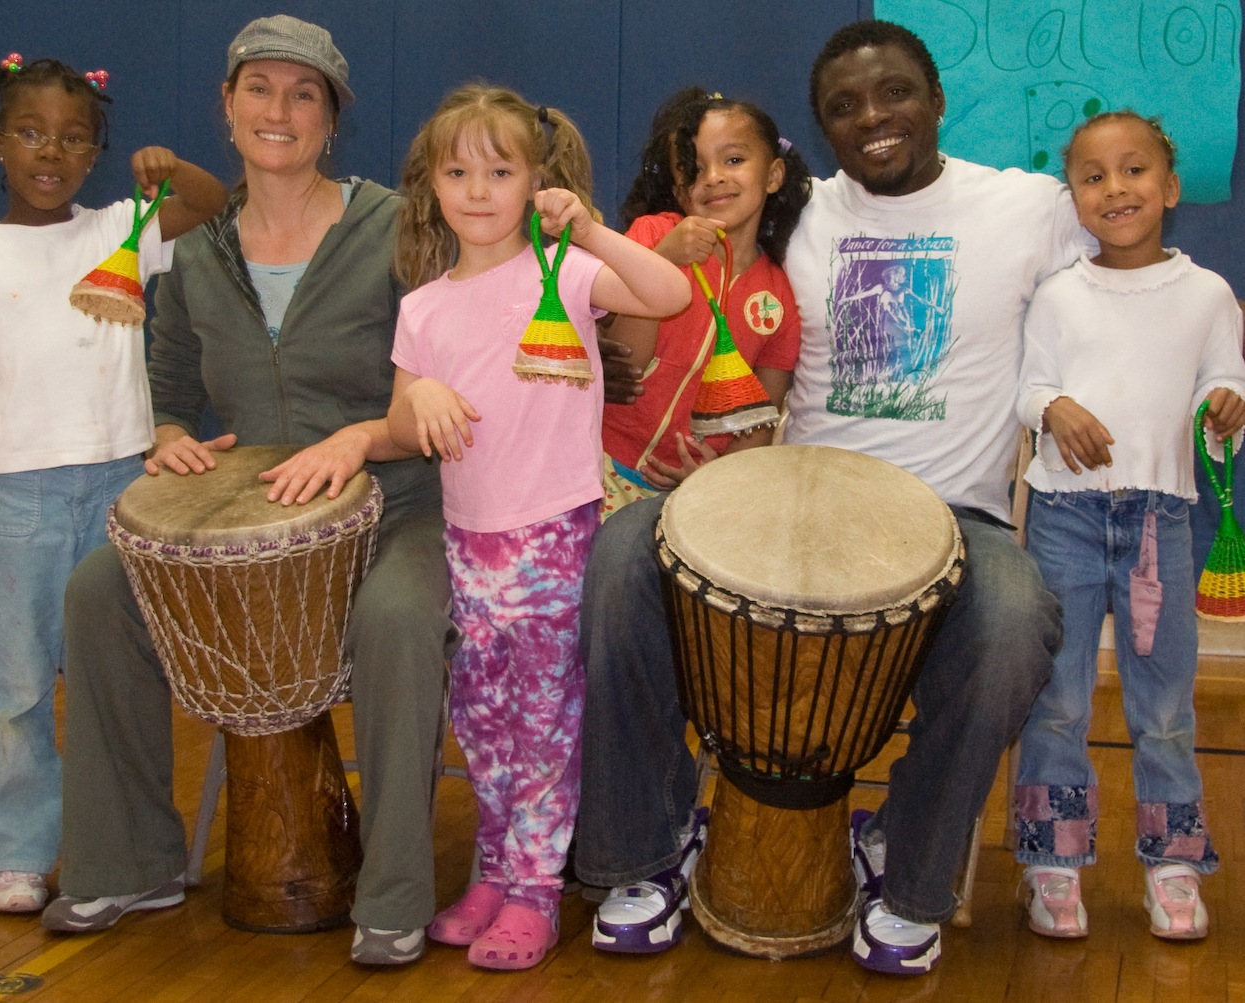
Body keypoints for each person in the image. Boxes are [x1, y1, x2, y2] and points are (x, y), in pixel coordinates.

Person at [577, 20, 1087, 974]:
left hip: (950, 516)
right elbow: (665, 258)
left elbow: (1127, 236)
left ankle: (907, 865)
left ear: (937, 100)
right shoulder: (793, 210)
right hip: (781, 498)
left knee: (1019, 617)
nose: (873, 119)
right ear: (817, 134)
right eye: (843, 108)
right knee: (617, 560)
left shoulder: (1025, 207)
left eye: (894, 93)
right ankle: (641, 854)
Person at [37, 16, 455, 967]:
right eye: (259, 89)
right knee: (98, 591)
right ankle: (131, 858)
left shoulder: (395, 229)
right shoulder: (196, 255)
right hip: (249, 522)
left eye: (303, 93)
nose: (280, 109)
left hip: (396, 504)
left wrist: (368, 437)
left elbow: (442, 378)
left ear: (331, 120)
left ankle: (393, 891)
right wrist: (174, 437)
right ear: (226, 108)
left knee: (396, 617)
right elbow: (173, 393)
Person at [387, 85, 689, 970]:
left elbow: (667, 293)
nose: (477, 190)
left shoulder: (563, 273)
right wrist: (423, 397)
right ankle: (493, 867)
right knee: (482, 720)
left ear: (533, 182)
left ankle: (534, 888)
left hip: (553, 533)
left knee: (546, 720)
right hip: (467, 540)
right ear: (430, 186)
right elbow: (403, 417)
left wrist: (589, 229)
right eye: (457, 171)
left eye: (500, 170)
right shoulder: (423, 306)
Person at [0, 54, 225, 915]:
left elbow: (212, 204)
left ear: (96, 153)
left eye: (71, 137)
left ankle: (133, 842)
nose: (48, 152)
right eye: (29, 133)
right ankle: (20, 849)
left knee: (122, 676)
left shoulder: (121, 230)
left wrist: (169, 169)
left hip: (117, 483)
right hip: (15, 492)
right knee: (20, 685)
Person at [1013, 112, 1243, 941]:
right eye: (1093, 176)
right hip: (1064, 519)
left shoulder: (1209, 294)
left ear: (1170, 187)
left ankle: (1172, 864)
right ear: (1072, 197)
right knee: (1057, 697)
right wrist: (1054, 407)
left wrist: (1226, 404)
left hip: (1162, 523)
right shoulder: (1058, 293)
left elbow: (1225, 388)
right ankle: (1053, 860)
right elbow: (1029, 390)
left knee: (1164, 707)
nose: (1116, 189)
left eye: (1135, 170)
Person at [598, 88, 808, 517]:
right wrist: (662, 264)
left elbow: (760, 418)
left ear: (773, 175)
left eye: (733, 160)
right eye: (696, 168)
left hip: (694, 496)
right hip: (600, 464)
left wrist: (720, 474)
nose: (713, 176)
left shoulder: (779, 296)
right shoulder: (653, 235)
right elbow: (629, 364)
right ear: (679, 187)